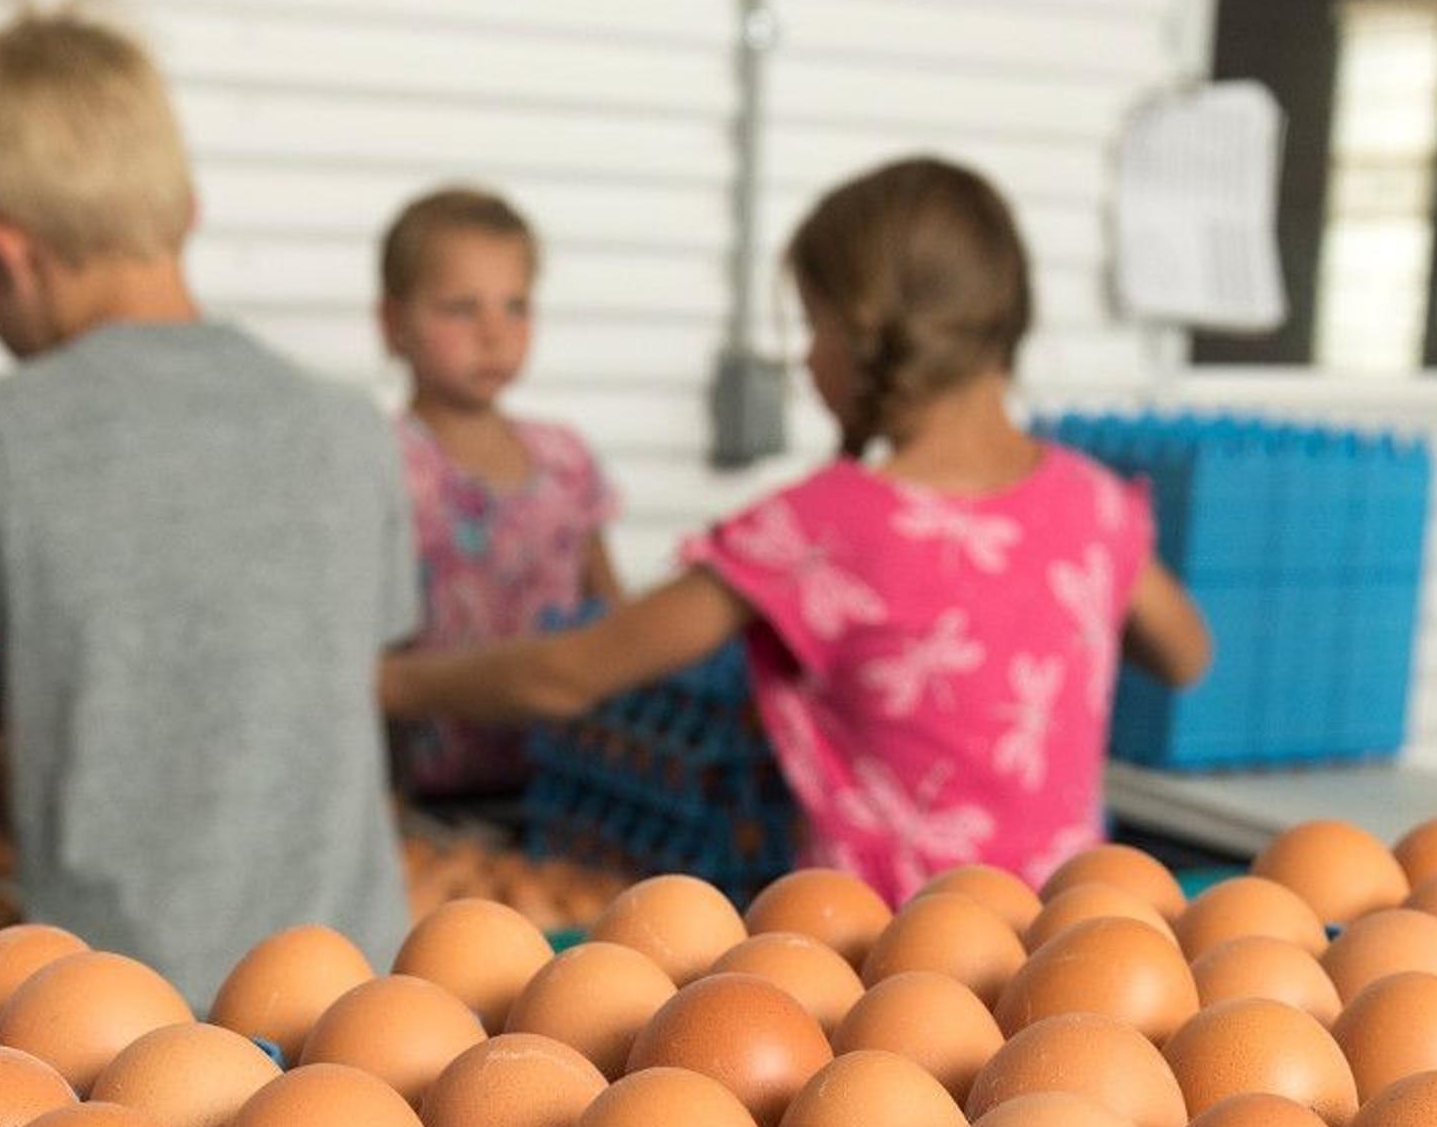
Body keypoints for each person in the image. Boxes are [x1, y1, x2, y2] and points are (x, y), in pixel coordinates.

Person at [381, 155, 1212, 896]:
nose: (808, 357)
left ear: (861, 335)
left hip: (878, 969)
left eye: (812, 327)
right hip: (1062, 943)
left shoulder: (820, 529)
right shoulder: (1089, 503)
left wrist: (388, 685)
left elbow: (568, 675)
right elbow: (1186, 656)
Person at [0, 0, 418, 1006]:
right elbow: (316, 700)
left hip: (123, 1036)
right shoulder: (349, 427)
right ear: (181, 210)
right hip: (359, 1023)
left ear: (7, 251)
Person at [377, 185, 624, 799]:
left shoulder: (565, 459)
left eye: (515, 306)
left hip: (566, 789)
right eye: (461, 308)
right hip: (423, 793)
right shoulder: (384, 462)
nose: (494, 332)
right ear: (392, 324)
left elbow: (612, 612)